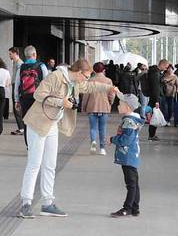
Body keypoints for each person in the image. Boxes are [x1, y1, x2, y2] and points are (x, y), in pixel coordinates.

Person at [17, 59, 118, 219]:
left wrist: (109, 87)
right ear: (78, 72)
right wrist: (61, 102)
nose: (86, 79)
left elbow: (90, 86)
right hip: (38, 123)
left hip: (52, 124)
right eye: (85, 76)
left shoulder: (75, 82)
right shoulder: (56, 76)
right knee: (34, 164)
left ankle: (47, 203)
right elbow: (38, 94)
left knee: (50, 164)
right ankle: (26, 204)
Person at [110, 93, 145, 217]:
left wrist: (112, 139)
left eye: (120, 104)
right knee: (134, 183)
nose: (118, 106)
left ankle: (127, 208)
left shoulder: (128, 121)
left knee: (131, 184)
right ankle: (135, 208)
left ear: (128, 107)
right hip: (132, 155)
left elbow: (126, 140)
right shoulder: (132, 119)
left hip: (128, 156)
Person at [14, 46, 50, 143]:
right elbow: (47, 83)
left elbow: (17, 85)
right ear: (34, 54)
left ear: (25, 55)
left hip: (24, 99)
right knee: (38, 122)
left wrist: (16, 100)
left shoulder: (21, 68)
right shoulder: (42, 66)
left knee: (26, 122)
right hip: (38, 99)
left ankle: (28, 145)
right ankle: (37, 144)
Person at [82, 62, 114, 155]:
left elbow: (86, 96)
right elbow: (111, 94)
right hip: (104, 107)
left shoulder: (90, 81)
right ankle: (102, 149)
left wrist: (84, 107)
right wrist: (110, 103)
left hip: (92, 107)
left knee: (93, 128)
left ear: (94, 70)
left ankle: (93, 142)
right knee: (102, 128)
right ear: (103, 70)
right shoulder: (108, 81)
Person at [8, 47, 24, 135]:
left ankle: (22, 129)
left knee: (17, 107)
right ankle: (21, 128)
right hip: (15, 85)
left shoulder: (20, 64)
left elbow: (21, 78)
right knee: (16, 108)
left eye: (10, 54)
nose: (9, 56)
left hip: (17, 87)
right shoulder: (15, 63)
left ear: (15, 53)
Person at [0, 58, 11, 134]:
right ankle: (0, 129)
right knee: (1, 111)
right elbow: (8, 84)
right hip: (2, 90)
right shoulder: (6, 72)